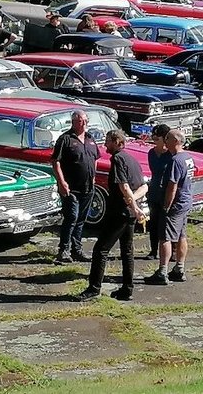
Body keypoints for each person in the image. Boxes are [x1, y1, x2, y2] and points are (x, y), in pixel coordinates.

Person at [78, 129, 145, 302]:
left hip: (119, 213)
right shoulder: (131, 159)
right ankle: (127, 289)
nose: (105, 144)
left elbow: (124, 186)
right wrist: (134, 206)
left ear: (116, 142)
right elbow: (144, 187)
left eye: (108, 141)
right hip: (129, 213)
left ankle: (94, 289)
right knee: (127, 251)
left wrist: (132, 205)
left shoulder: (118, 159)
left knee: (100, 250)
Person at [50, 110, 99, 263]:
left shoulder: (90, 139)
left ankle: (76, 249)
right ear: (73, 122)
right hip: (71, 188)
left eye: (85, 120)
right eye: (80, 121)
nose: (84, 124)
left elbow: (95, 158)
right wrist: (61, 182)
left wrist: (93, 176)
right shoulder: (65, 139)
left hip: (88, 187)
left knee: (81, 219)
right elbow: (55, 161)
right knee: (71, 217)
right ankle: (63, 250)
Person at [147, 129, 195, 285]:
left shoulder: (175, 161)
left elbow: (172, 186)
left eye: (168, 138)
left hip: (175, 204)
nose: (165, 140)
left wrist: (166, 206)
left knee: (165, 237)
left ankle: (162, 271)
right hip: (185, 202)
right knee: (181, 235)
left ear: (176, 141)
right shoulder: (187, 157)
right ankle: (179, 268)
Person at [142, 124, 171, 260]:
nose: (154, 141)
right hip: (154, 191)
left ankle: (171, 251)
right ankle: (153, 251)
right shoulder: (151, 153)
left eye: (157, 138)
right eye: (153, 138)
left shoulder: (171, 155)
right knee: (153, 223)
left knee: (167, 223)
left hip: (166, 192)